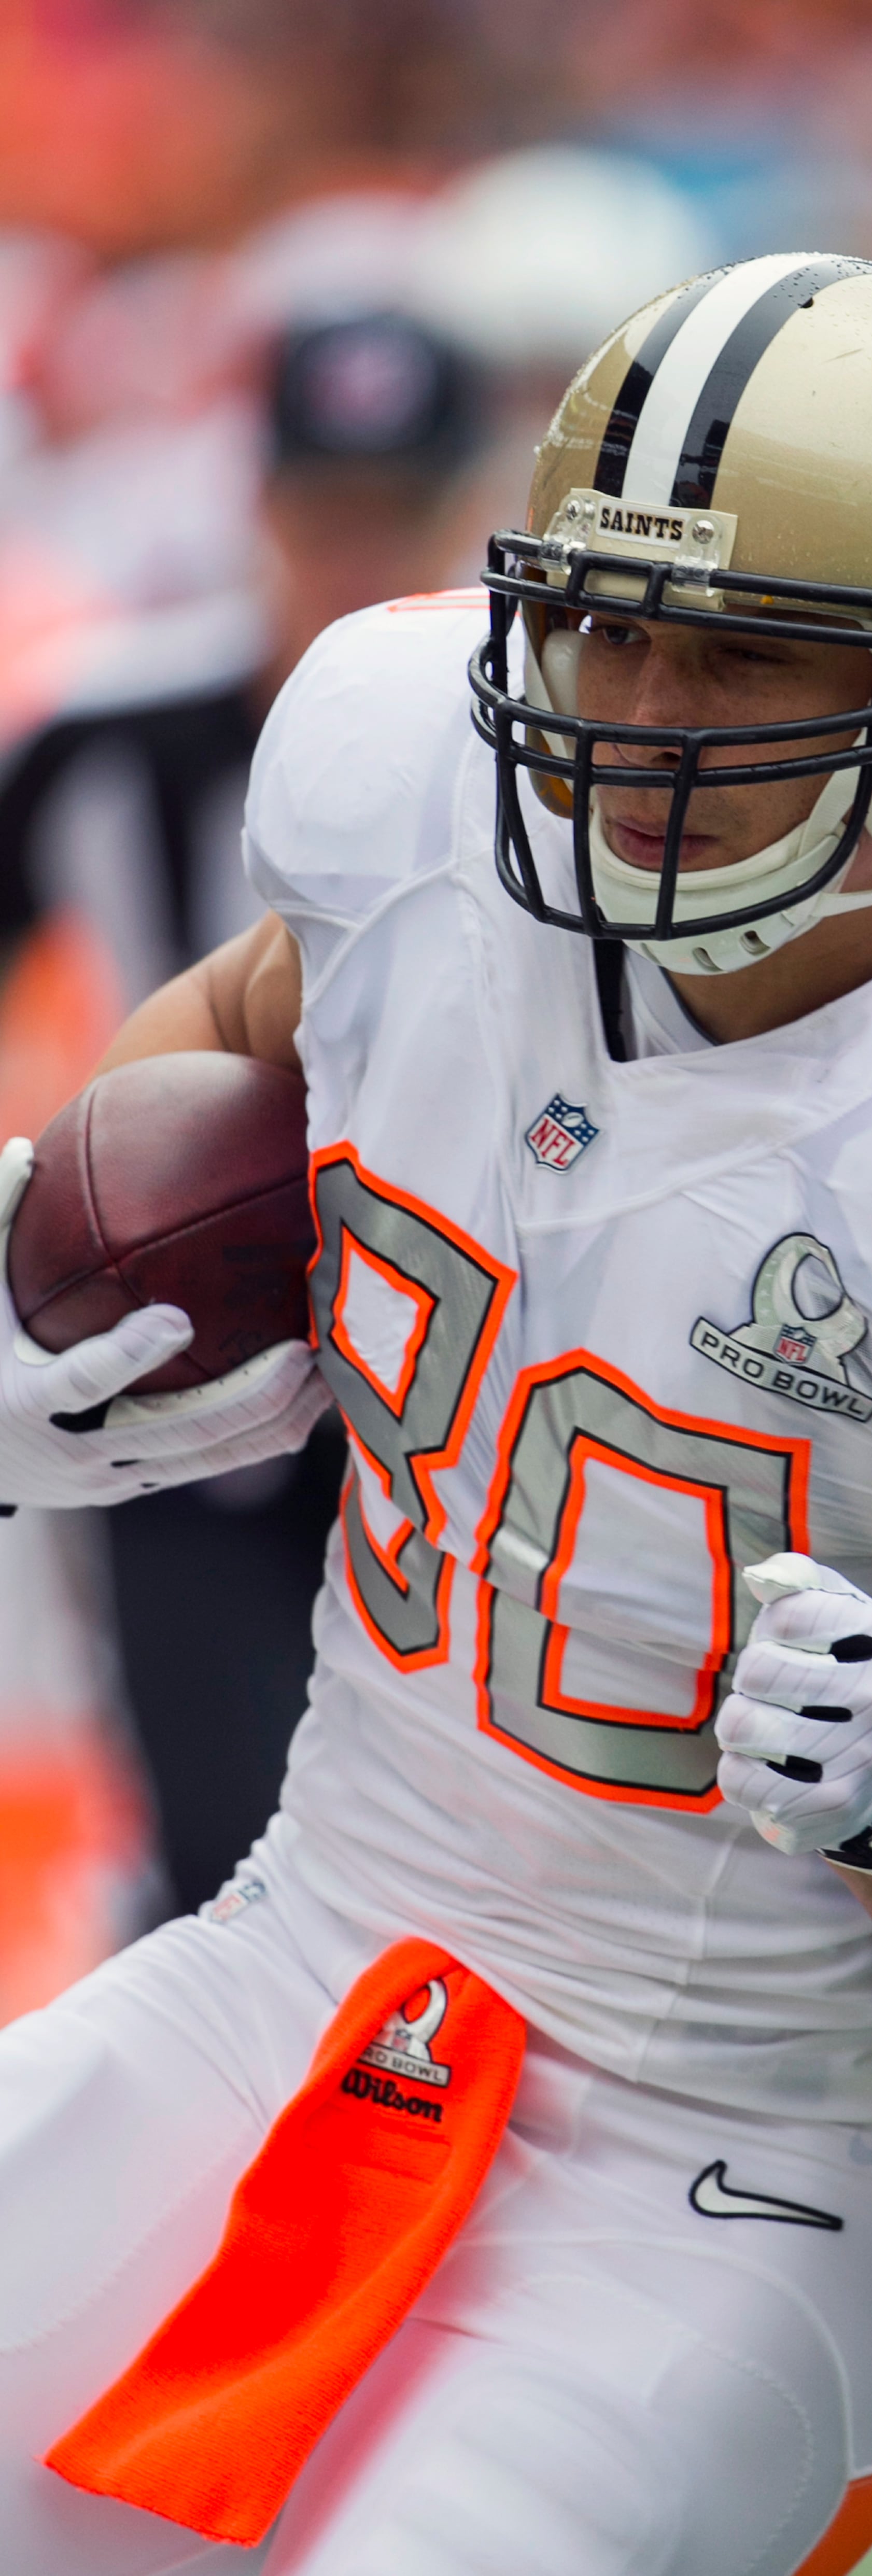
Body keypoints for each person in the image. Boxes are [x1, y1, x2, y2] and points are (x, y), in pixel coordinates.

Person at [0, 257, 872, 2570]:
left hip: (759, 2146)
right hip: (308, 1950)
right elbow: (242, 1012)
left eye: (749, 649)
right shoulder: (412, 797)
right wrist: (82, 1274)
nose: (644, 712)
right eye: (604, 625)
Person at [0, 307, 485, 1915]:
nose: (352, 558)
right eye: (321, 511)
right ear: (259, 504)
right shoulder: (102, 734)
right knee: (217, 1841)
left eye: (392, 515)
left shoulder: (538, 759)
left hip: (458, 1365)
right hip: (181, 1328)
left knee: (469, 1869)